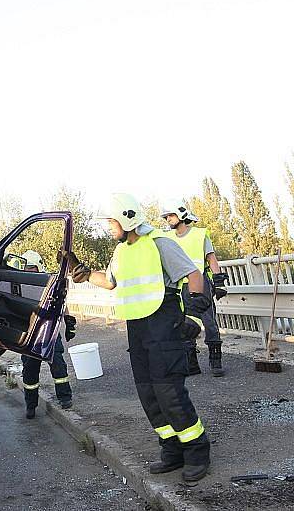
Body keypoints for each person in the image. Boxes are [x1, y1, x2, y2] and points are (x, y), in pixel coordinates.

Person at [62, 193, 211, 482]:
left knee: (170, 394)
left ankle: (196, 451)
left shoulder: (160, 243)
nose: (108, 226)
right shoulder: (121, 252)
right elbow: (109, 282)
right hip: (138, 329)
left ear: (127, 218)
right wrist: (83, 273)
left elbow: (194, 275)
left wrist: (193, 315)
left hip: (165, 326)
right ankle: (172, 450)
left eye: (110, 221)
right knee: (149, 395)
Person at [160, 201, 228, 377]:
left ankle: (215, 362)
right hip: (179, 286)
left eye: (171, 216)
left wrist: (219, 282)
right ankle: (192, 364)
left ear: (182, 216)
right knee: (184, 324)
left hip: (201, 284)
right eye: (166, 217)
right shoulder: (167, 239)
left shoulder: (199, 235)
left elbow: (211, 259)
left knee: (209, 323)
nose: (168, 219)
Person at [18, 250, 75, 419]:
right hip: (28, 335)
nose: (30, 273)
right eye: (27, 270)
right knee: (30, 372)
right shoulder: (19, 284)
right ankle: (31, 405)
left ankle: (65, 398)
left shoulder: (50, 283)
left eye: (32, 269)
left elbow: (61, 302)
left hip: (49, 332)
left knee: (58, 366)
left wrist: (68, 321)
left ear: (39, 268)